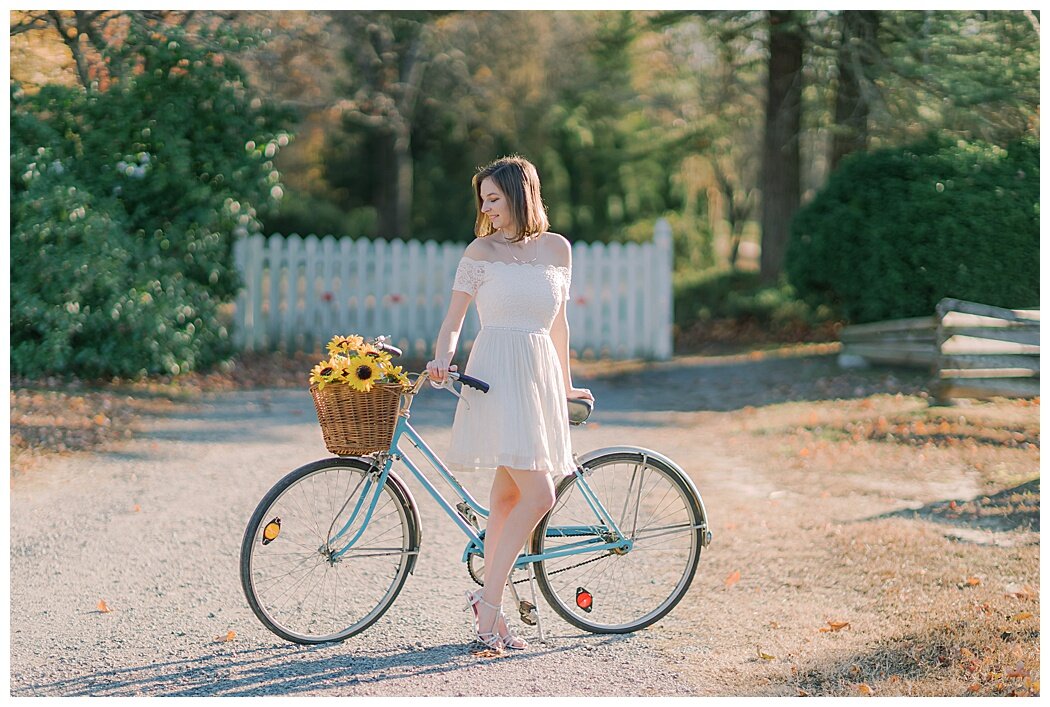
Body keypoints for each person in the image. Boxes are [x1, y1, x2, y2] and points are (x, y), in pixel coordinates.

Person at [426, 155, 594, 653]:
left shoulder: (558, 250)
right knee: (539, 496)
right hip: (496, 373)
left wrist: (565, 385)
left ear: (521, 194)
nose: (487, 209)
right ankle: (491, 605)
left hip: (539, 373)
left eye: (494, 198)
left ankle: (487, 603)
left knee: (507, 499)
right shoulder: (481, 250)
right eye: (483, 201)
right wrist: (441, 357)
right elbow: (455, 318)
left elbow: (559, 325)